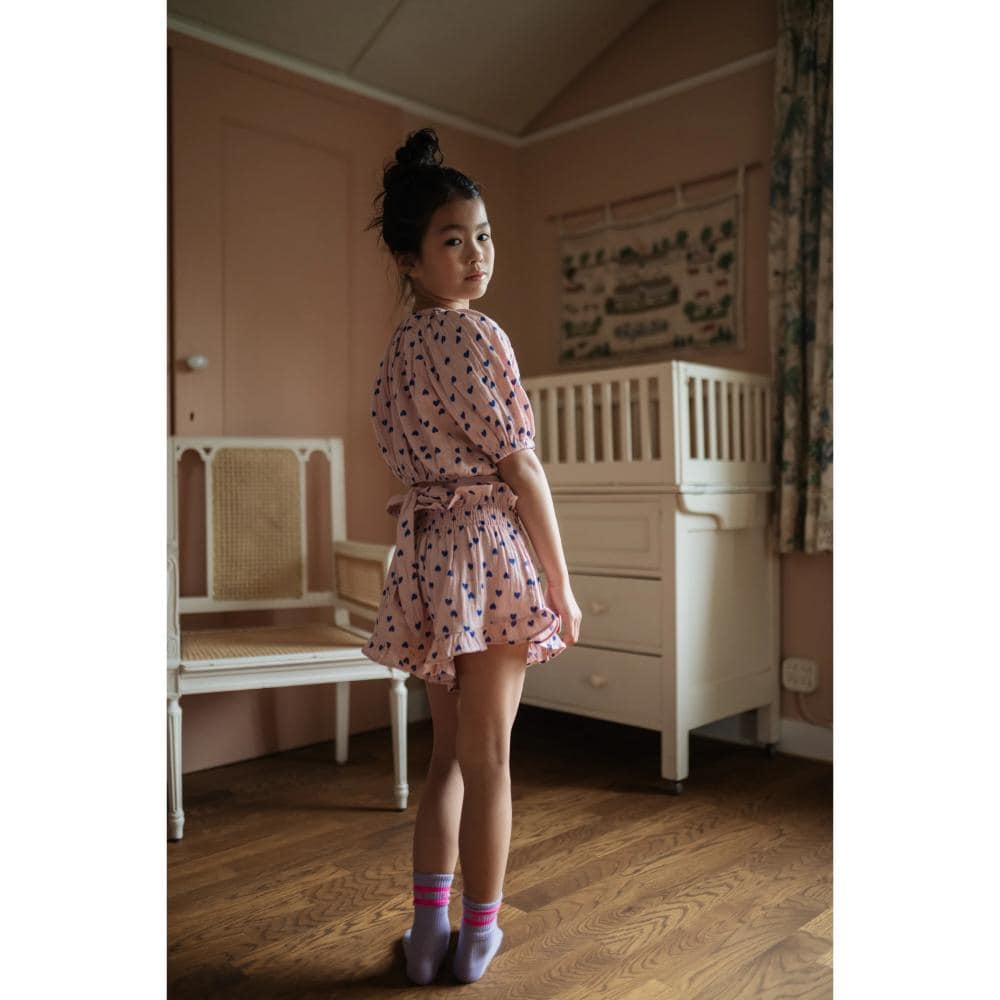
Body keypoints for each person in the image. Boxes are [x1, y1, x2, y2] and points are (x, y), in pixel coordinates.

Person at [363, 127, 583, 985]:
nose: (476, 254)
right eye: (453, 240)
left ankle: (427, 937)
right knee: (491, 762)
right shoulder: (476, 335)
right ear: (410, 258)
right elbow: (521, 468)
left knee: (447, 759)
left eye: (483, 235)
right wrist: (560, 584)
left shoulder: (398, 352)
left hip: (426, 557)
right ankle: (478, 936)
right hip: (486, 554)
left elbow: (417, 458)